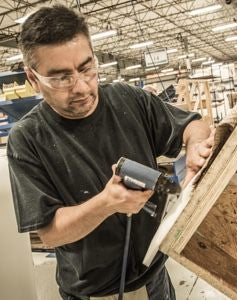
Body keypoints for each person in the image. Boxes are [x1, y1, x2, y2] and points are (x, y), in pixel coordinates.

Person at [7, 5, 213, 300]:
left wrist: (194, 148)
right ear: (32, 78)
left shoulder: (128, 99)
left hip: (155, 279)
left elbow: (193, 125)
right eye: (61, 77)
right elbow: (50, 232)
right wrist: (106, 203)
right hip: (93, 293)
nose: (80, 86)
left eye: (86, 68)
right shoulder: (27, 139)